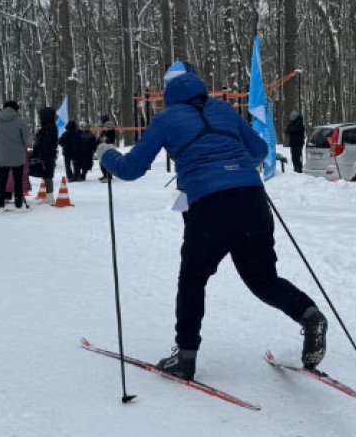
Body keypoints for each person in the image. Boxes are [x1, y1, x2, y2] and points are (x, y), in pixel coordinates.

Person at [101, 63, 327, 381]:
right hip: (251, 199)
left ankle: (185, 357)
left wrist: (107, 153)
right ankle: (309, 314)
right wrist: (234, 163)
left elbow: (131, 169)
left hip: (210, 206)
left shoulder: (166, 118)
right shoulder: (223, 109)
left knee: (193, 279)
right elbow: (260, 150)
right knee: (263, 279)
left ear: (167, 89)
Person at [0, 100, 31, 210]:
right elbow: (26, 140)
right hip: (17, 155)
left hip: (1, 155)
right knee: (18, 180)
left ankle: (1, 202)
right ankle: (18, 202)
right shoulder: (20, 121)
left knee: (2, 180)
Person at [29, 106, 59, 194]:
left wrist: (37, 152)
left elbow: (44, 143)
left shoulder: (48, 129)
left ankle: (49, 195)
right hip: (46, 155)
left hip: (45, 156)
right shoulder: (50, 127)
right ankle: (49, 195)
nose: (40, 119)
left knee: (47, 175)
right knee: (47, 175)